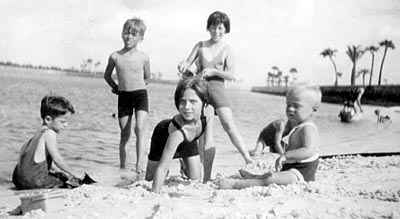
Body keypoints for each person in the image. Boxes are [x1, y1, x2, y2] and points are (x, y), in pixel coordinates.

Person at [177, 11, 254, 165]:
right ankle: (194, 165)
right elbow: (187, 63)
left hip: (218, 91)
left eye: (220, 28)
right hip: (200, 92)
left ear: (225, 29)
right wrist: (182, 65)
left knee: (229, 125)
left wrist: (214, 72)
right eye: (213, 27)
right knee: (200, 129)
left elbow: (231, 74)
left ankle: (247, 158)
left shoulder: (227, 49)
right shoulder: (200, 45)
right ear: (208, 27)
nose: (216, 31)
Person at [218, 84, 322, 189]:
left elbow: (308, 150)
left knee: (270, 179)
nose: (290, 109)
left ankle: (236, 184)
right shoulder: (296, 125)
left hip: (301, 172)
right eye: (288, 104)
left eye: (296, 106)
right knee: (270, 176)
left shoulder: (308, 128)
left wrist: (286, 155)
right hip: (292, 167)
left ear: (314, 109)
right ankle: (254, 177)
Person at [145, 77, 215, 193]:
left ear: (204, 104)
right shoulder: (177, 132)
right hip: (163, 137)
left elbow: (209, 146)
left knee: (195, 179)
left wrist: (207, 180)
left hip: (189, 140)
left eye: (193, 101)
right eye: (182, 101)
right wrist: (154, 193)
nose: (187, 107)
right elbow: (162, 168)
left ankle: (184, 165)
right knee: (149, 180)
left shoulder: (209, 112)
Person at [104, 17, 151, 172]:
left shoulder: (144, 58)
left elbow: (148, 77)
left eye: (133, 34)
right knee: (125, 133)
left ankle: (139, 165)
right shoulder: (115, 56)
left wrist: (139, 86)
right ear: (122, 34)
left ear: (140, 38)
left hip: (140, 95)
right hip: (123, 96)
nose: (129, 37)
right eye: (126, 33)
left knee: (140, 128)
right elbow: (107, 75)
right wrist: (116, 87)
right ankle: (123, 167)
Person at [12, 95, 84, 190]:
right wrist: (75, 173)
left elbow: (44, 163)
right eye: (63, 121)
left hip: (18, 180)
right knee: (65, 181)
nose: (66, 125)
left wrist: (60, 171)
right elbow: (57, 159)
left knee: (61, 175)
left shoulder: (36, 136)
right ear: (48, 120)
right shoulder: (49, 133)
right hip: (34, 182)